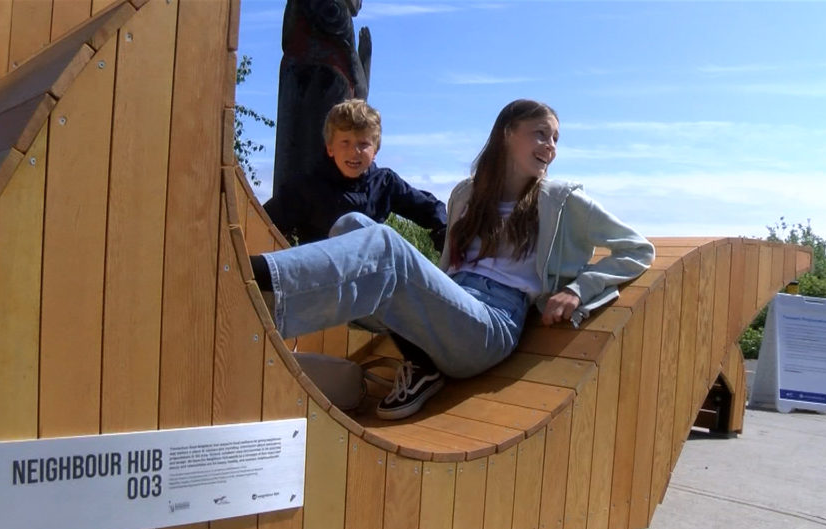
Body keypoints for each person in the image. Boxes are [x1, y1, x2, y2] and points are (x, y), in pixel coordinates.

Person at [251, 99, 654, 420]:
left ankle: (250, 283)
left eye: (555, 139)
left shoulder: (563, 200)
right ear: (507, 135)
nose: (550, 146)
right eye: (540, 134)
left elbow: (638, 249)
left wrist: (577, 290)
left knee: (384, 243)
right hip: (449, 309)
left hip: (490, 326)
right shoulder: (466, 196)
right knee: (351, 224)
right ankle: (423, 364)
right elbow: (446, 269)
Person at [264, 98, 448, 248]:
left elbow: (430, 208)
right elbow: (263, 224)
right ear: (330, 148)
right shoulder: (305, 188)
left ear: (375, 150)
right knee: (352, 223)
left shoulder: (384, 183)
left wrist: (444, 231)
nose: (354, 152)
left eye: (363, 144)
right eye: (345, 142)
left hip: (369, 276)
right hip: (322, 277)